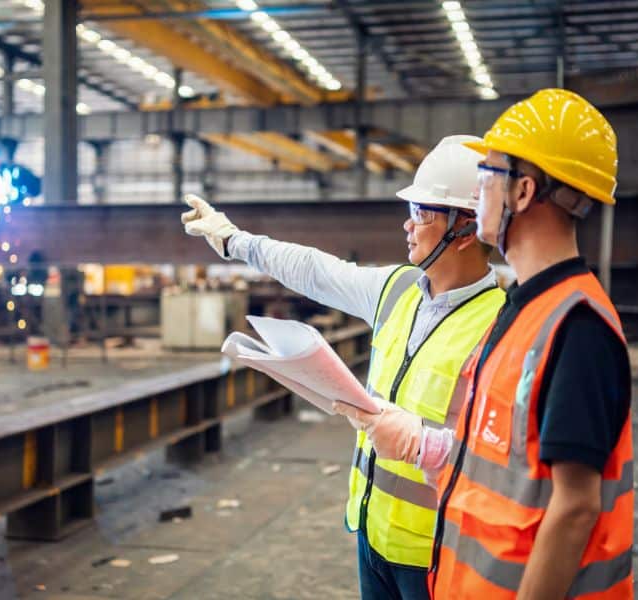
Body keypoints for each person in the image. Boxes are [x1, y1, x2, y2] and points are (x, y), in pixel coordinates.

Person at [337, 89, 634, 599]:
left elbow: (575, 507)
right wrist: (425, 444)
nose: (477, 196)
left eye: (487, 176)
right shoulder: (519, 307)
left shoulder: (576, 328)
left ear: (521, 192)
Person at [181, 135, 506, 600]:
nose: (407, 226)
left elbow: (506, 458)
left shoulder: (501, 326)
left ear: (466, 230)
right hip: (371, 531)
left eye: (422, 214)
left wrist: (421, 443)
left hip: (439, 553)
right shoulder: (396, 290)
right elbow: (315, 270)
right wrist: (234, 240)